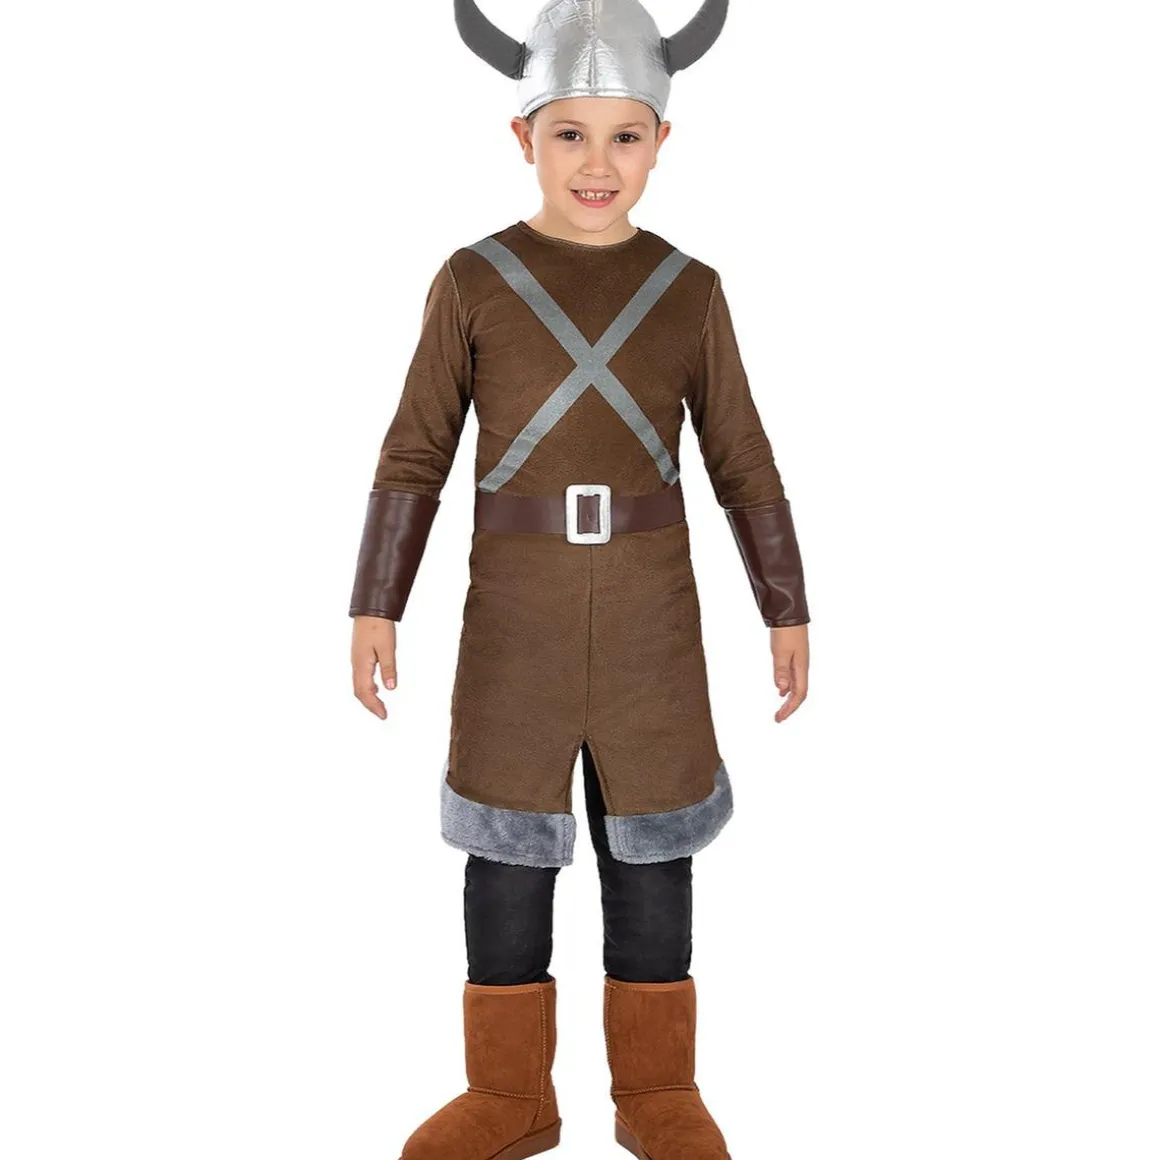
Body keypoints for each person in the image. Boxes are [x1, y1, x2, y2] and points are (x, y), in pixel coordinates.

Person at [348, 3, 810, 1157]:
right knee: (505, 849)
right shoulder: (472, 280)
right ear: (522, 137)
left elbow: (742, 458)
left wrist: (784, 605)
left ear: (661, 142)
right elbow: (414, 451)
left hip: (653, 615)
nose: (595, 164)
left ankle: (656, 1089)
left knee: (651, 847)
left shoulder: (690, 290)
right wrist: (375, 598)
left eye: (622, 136)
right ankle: (509, 1093)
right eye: (568, 134)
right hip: (517, 614)